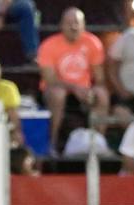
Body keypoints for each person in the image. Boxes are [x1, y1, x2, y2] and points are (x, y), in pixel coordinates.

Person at [37, 7, 108, 156]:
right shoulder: (48, 45)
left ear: (84, 25)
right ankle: (52, 144)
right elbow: (50, 80)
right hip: (56, 89)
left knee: (102, 94)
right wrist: (75, 88)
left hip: (84, 90)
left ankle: (99, 142)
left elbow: (99, 78)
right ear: (61, 25)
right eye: (69, 23)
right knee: (58, 94)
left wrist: (91, 91)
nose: (73, 26)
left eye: (77, 23)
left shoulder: (93, 42)